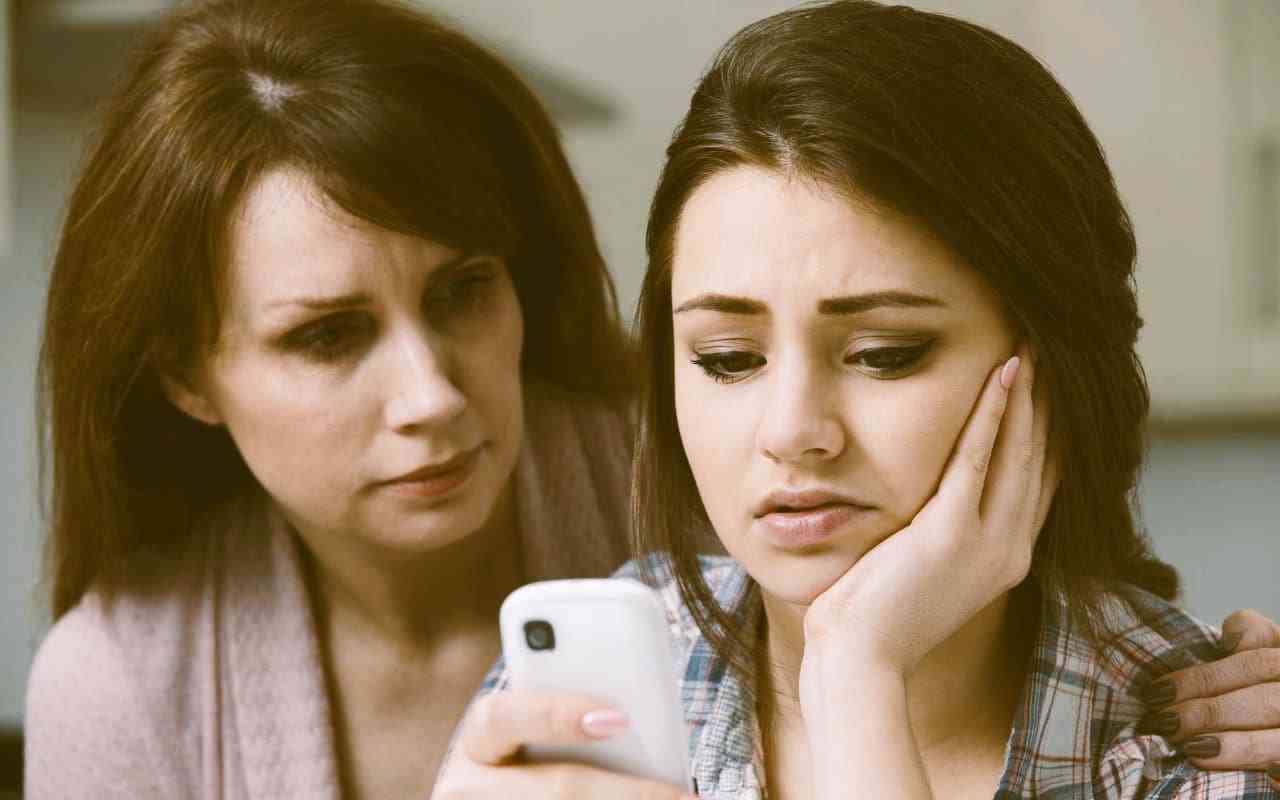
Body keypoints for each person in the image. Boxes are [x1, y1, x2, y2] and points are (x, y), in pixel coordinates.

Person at [439, 2, 1280, 798]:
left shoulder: (1196, 742)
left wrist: (855, 675)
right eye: (728, 359)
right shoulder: (605, 674)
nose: (792, 432)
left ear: (1053, 370)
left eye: (885, 353)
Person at [23, 0, 638, 796]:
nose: (431, 396)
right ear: (183, 378)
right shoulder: (123, 686)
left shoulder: (703, 495)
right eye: (328, 337)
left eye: (463, 290)